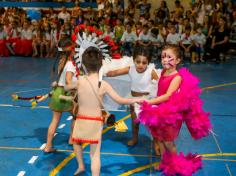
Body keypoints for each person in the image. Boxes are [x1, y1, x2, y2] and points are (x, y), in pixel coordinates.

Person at [65, 46, 142, 176]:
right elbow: (121, 100)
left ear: (83, 64)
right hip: (96, 122)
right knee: (94, 154)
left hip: (81, 120)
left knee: (76, 143)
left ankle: (81, 166)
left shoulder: (80, 81)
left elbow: (67, 87)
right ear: (101, 65)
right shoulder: (103, 85)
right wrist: (137, 99)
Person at [138, 44, 211, 174]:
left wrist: (149, 102)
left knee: (168, 142)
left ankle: (174, 164)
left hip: (170, 115)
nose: (165, 60)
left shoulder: (176, 77)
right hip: (159, 111)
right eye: (163, 57)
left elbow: (167, 96)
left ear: (177, 60)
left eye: (169, 57)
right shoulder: (163, 72)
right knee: (159, 138)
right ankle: (163, 162)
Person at [106, 46, 159, 148]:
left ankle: (156, 142)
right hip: (134, 100)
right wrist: (105, 73)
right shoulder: (131, 69)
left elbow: (159, 83)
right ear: (134, 60)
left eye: (144, 63)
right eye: (138, 62)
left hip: (147, 101)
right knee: (135, 122)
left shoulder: (150, 71)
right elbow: (115, 72)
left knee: (151, 124)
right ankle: (135, 138)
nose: (140, 65)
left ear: (148, 62)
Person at [43, 37, 77, 153]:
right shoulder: (71, 64)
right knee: (76, 116)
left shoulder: (61, 61)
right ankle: (72, 140)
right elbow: (68, 81)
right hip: (66, 94)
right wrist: (79, 85)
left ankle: (48, 146)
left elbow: (61, 79)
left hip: (57, 92)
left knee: (55, 121)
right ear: (71, 49)